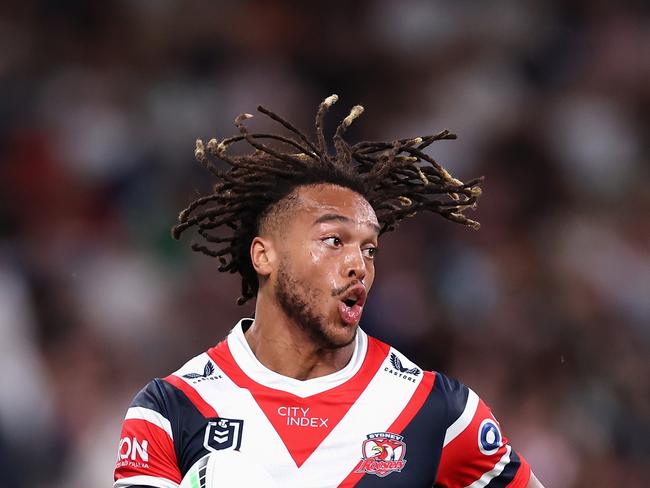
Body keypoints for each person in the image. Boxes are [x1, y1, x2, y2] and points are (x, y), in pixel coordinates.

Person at [114, 95, 544, 487]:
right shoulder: (174, 407)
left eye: (369, 249)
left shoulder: (433, 409)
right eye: (333, 241)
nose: (360, 265)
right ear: (264, 257)